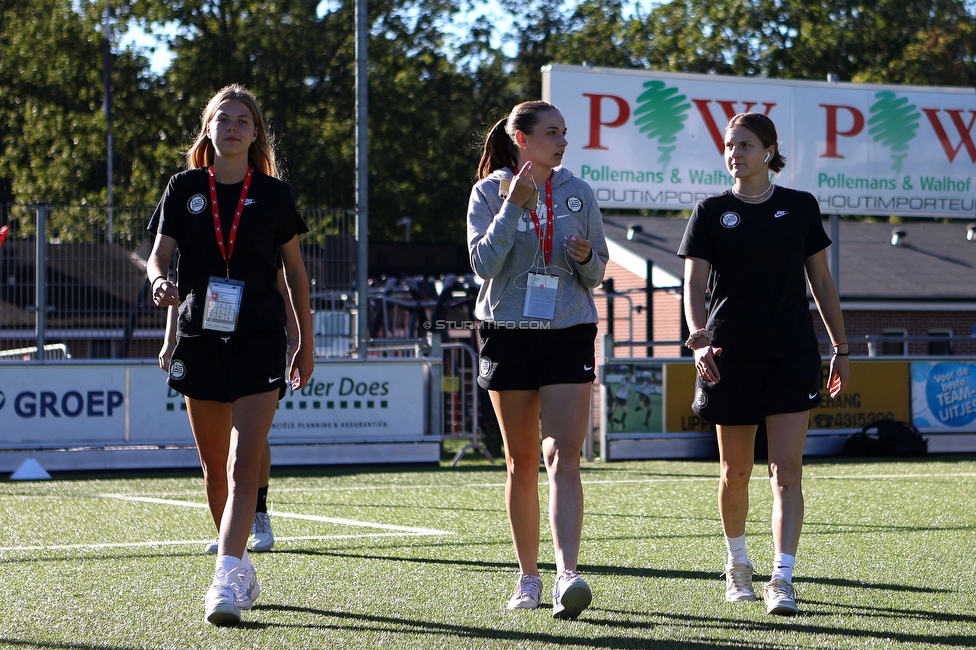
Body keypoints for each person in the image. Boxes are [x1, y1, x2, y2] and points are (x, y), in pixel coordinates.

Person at [146, 84, 314, 626]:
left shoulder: (273, 195)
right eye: (224, 118)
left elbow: (295, 274)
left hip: (259, 339)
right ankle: (238, 564)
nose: (234, 126)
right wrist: (157, 284)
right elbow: (159, 257)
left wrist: (304, 342)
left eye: (244, 119)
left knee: (245, 462)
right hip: (199, 339)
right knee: (215, 469)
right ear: (209, 129)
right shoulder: (183, 187)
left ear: (256, 132)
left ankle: (224, 576)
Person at [677, 112, 850, 616]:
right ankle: (737, 566)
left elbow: (822, 282)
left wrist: (840, 345)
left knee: (787, 472)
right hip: (727, 355)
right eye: (730, 145)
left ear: (769, 150)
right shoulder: (710, 210)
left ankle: (783, 577)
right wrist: (699, 339)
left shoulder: (799, 207)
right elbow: (692, 284)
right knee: (735, 471)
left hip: (792, 354)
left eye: (746, 144)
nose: (736, 153)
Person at [467, 100, 609, 620]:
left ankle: (567, 574)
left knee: (563, 455)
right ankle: (528, 577)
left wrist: (587, 259)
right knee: (521, 461)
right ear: (521, 138)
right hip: (508, 331)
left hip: (569, 330)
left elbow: (598, 273)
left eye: (565, 133)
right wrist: (514, 206)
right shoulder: (489, 191)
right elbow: (482, 264)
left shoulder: (579, 191)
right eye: (552, 132)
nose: (562, 141)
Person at [158, 266, 299, 554]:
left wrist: (295, 338)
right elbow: (182, 286)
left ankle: (259, 514)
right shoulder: (195, 225)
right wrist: (170, 338)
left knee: (251, 442)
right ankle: (229, 537)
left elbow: (284, 284)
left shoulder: (259, 226)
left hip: (253, 342)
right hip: (207, 344)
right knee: (216, 455)